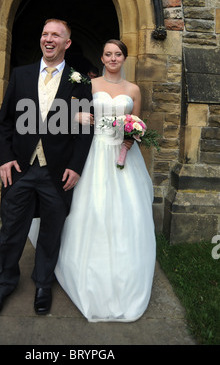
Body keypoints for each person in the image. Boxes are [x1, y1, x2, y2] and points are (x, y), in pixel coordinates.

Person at [0, 19, 94, 318]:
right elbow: (4, 122)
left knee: (51, 231)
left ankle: (43, 283)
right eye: (45, 33)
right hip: (20, 169)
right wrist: (4, 158)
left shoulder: (79, 80)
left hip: (57, 171)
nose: (49, 38)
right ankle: (3, 285)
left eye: (56, 35)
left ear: (67, 43)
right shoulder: (21, 75)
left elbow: (85, 129)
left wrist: (76, 166)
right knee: (12, 230)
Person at [54, 39, 156, 322]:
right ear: (101, 57)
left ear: (124, 58)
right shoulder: (90, 85)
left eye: (118, 54)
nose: (113, 58)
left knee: (127, 214)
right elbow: (64, 112)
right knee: (92, 210)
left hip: (122, 156)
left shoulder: (133, 89)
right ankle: (85, 267)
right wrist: (79, 116)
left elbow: (137, 125)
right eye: (108, 54)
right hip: (93, 152)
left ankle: (124, 269)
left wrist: (130, 141)